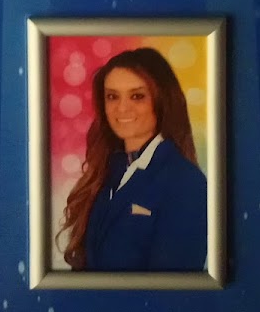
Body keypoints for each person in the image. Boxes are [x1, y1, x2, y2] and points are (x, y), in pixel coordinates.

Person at [56, 48, 207, 271]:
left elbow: (174, 284)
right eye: (112, 96)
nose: (122, 108)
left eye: (137, 96)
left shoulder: (185, 182)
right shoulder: (107, 171)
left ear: (162, 101)